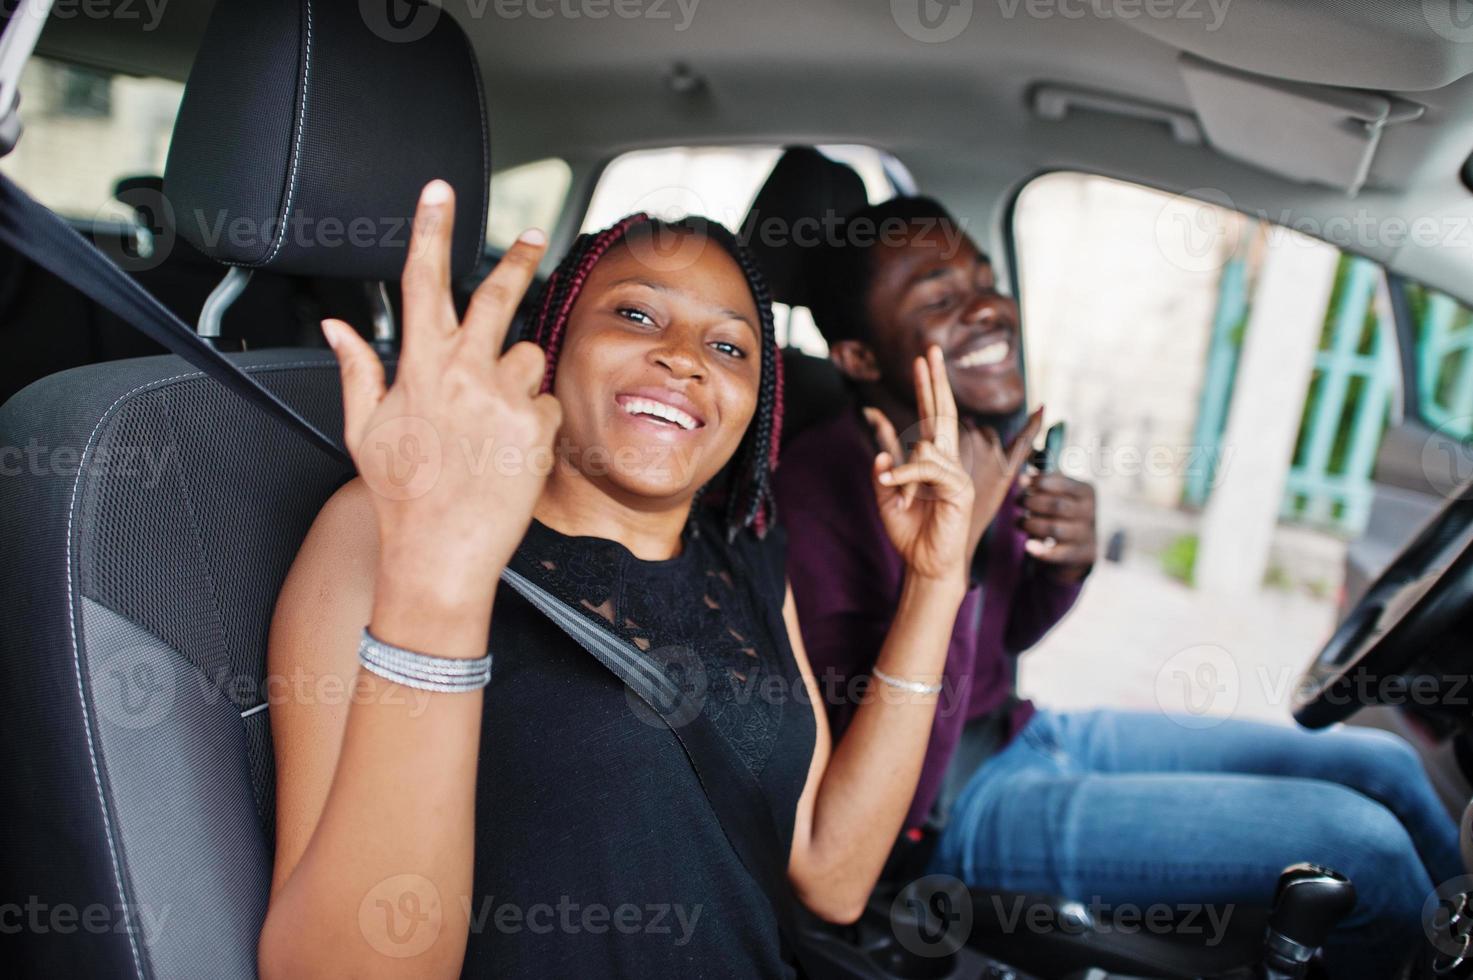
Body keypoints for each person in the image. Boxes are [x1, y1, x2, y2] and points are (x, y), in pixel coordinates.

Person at [256, 181, 1038, 979]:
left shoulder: (751, 554)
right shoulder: (388, 521)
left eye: (729, 347)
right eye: (635, 315)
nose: (684, 358)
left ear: (756, 402)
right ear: (553, 341)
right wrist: (439, 581)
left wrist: (933, 584)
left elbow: (833, 876)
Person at [776, 194, 1464, 979]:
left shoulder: (971, 446)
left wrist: (1062, 567)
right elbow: (896, 784)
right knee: (1358, 844)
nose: (987, 305)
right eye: (938, 297)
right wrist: (950, 570)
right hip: (951, 810)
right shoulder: (816, 499)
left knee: (1387, 767)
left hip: (1026, 733)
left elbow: (1000, 649)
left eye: (983, 275)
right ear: (860, 358)